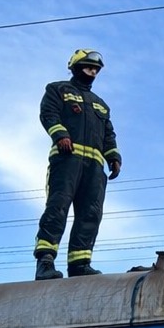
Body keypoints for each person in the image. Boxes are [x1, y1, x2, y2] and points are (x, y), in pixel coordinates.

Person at [33, 49, 122, 280]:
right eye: (88, 66)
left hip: (94, 168)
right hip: (67, 160)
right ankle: (45, 262)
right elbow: (48, 114)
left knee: (90, 214)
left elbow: (108, 134)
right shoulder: (58, 89)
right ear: (75, 66)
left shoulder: (101, 104)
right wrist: (60, 134)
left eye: (95, 68)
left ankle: (80, 264)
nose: (92, 71)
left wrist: (113, 156)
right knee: (57, 208)